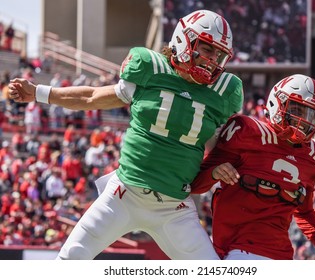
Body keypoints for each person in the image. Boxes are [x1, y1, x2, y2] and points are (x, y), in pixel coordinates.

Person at [8, 9, 244, 260]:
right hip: (123, 195)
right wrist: (39, 93)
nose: (213, 59)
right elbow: (91, 97)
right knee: (69, 259)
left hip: (174, 207)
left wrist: (219, 168)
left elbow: (218, 149)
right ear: (183, 40)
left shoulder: (223, 92)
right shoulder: (150, 68)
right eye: (207, 49)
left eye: (219, 54)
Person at [191, 74, 315, 260]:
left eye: (310, 115)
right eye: (297, 110)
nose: (303, 121)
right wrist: (214, 173)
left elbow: (304, 211)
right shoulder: (247, 132)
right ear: (278, 102)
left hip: (281, 255)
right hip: (235, 248)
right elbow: (195, 185)